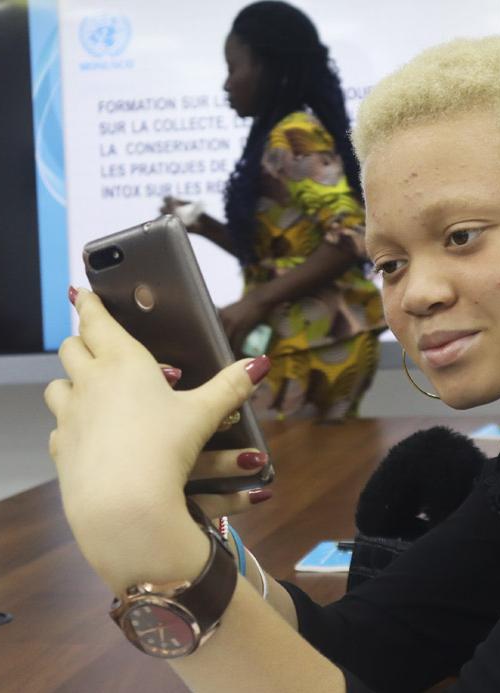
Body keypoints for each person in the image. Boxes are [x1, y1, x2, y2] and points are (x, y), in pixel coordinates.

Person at [46, 36, 500, 693]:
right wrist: (194, 537)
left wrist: (151, 553)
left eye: (461, 236)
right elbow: (356, 648)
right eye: (390, 263)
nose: (417, 293)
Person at [159, 1, 384, 421]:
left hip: (320, 337)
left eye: (233, 67)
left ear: (267, 67)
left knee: (290, 459)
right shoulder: (278, 135)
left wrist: (257, 301)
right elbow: (277, 256)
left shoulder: (293, 134)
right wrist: (203, 225)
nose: (227, 83)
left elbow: (352, 235)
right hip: (303, 335)